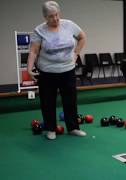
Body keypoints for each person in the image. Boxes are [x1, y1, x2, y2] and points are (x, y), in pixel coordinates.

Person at [27, 1, 86, 140]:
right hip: (47, 72)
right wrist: (29, 69)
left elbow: (82, 37)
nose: (55, 18)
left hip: (68, 70)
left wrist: (76, 53)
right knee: (48, 101)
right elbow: (33, 51)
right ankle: (50, 129)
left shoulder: (69, 25)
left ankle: (73, 128)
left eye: (57, 15)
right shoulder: (39, 30)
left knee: (70, 100)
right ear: (45, 17)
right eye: (51, 16)